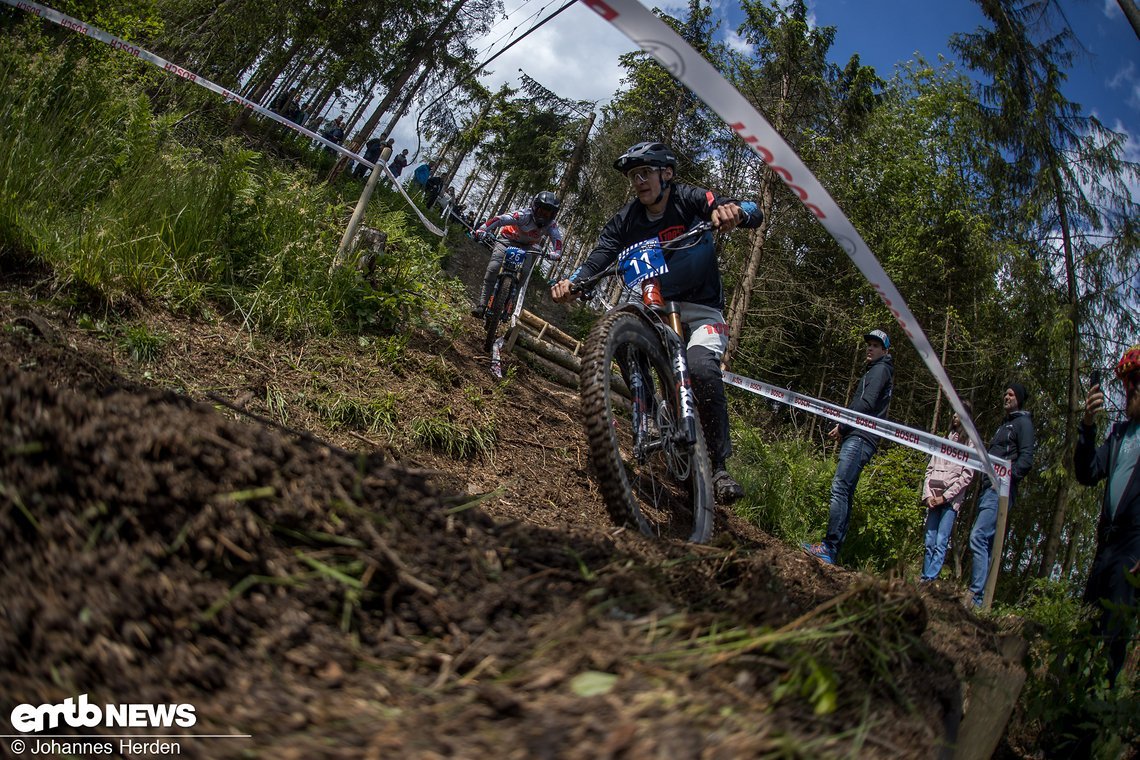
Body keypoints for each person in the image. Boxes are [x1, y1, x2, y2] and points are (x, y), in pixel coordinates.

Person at [550, 141, 764, 504]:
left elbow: (748, 209)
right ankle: (646, 415)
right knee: (625, 332)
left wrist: (734, 213)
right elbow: (602, 253)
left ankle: (719, 466)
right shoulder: (627, 218)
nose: (638, 181)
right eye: (633, 176)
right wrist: (574, 281)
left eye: (645, 172)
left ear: (666, 173)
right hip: (656, 302)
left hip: (702, 308)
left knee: (702, 369)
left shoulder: (689, 198)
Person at [1075, 344, 1140, 686]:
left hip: (1134, 549)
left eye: (1136, 379)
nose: (1130, 388)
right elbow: (1086, 472)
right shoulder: (1117, 434)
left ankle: (1098, 717)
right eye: (1127, 381)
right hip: (1106, 547)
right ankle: (1069, 709)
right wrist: (1087, 425)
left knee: (1113, 635)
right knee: (1086, 626)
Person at [803, 329, 895, 564]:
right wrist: (844, 426)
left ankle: (828, 547)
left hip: (861, 437)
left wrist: (843, 426)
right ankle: (831, 549)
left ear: (885, 351)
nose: (870, 348)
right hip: (859, 434)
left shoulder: (881, 369)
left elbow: (866, 403)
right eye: (869, 344)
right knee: (845, 491)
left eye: (876, 345)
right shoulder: (876, 370)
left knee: (840, 489)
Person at [966, 383, 1036, 608]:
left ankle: (974, 594)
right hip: (988, 489)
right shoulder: (1003, 425)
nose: (1006, 396)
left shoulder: (1023, 423)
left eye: (1012, 394)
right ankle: (979, 601)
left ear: (1020, 399)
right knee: (984, 540)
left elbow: (1026, 460)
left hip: (1001, 491)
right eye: (1005, 393)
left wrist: (1005, 480)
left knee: (978, 536)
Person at [472, 191, 564, 318]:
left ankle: (510, 304)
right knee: (494, 267)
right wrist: (482, 229)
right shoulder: (524, 215)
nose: (544, 215)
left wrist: (556, 253)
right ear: (535, 207)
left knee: (524, 273)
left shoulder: (551, 225)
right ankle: (481, 305)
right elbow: (500, 219)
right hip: (507, 240)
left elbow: (557, 240)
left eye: (549, 213)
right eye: (542, 211)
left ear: (553, 214)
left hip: (528, 247)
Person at [919, 401, 975, 582]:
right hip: (932, 498)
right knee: (929, 540)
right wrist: (928, 495)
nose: (954, 416)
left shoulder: (970, 444)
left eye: (958, 413)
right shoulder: (943, 439)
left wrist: (945, 497)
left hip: (950, 502)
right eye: (954, 413)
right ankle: (923, 578)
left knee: (941, 541)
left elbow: (967, 476)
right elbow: (929, 468)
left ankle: (930, 579)